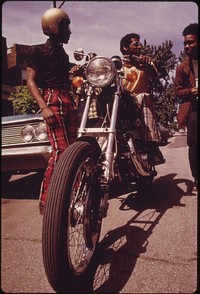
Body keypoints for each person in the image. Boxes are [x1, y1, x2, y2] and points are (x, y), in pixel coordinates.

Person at [27, 7, 77, 214]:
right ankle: (46, 203)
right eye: (66, 26)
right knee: (60, 151)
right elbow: (30, 81)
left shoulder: (62, 54)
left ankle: (69, 196)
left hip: (67, 98)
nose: (70, 31)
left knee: (73, 150)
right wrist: (44, 106)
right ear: (54, 27)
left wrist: (73, 70)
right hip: (52, 98)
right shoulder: (37, 50)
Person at [120, 33, 165, 165]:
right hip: (123, 101)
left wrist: (146, 65)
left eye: (139, 44)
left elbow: (154, 75)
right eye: (135, 44)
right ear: (125, 47)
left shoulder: (145, 61)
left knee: (143, 96)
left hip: (140, 99)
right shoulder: (117, 64)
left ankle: (152, 146)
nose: (139, 47)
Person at [175, 23, 198, 189]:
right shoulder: (182, 68)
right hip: (193, 108)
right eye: (185, 43)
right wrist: (192, 90)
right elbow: (178, 91)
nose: (187, 46)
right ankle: (197, 177)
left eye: (191, 42)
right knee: (194, 143)